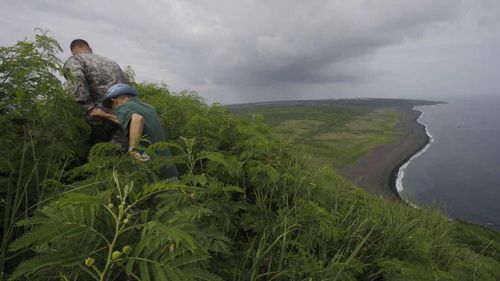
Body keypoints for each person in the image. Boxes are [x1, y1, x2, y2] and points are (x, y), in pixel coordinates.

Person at [90, 84, 178, 181]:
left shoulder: (122, 107)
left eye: (112, 107)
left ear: (115, 101)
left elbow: (137, 119)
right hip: (169, 170)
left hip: (151, 174)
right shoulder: (149, 108)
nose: (114, 110)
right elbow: (129, 120)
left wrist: (133, 149)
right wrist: (106, 115)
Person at [63, 39, 129, 147]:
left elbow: (76, 77)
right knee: (117, 156)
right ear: (90, 49)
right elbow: (127, 85)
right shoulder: (111, 62)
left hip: (99, 116)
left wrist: (89, 108)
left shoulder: (75, 60)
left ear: (73, 52)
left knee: (95, 156)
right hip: (123, 114)